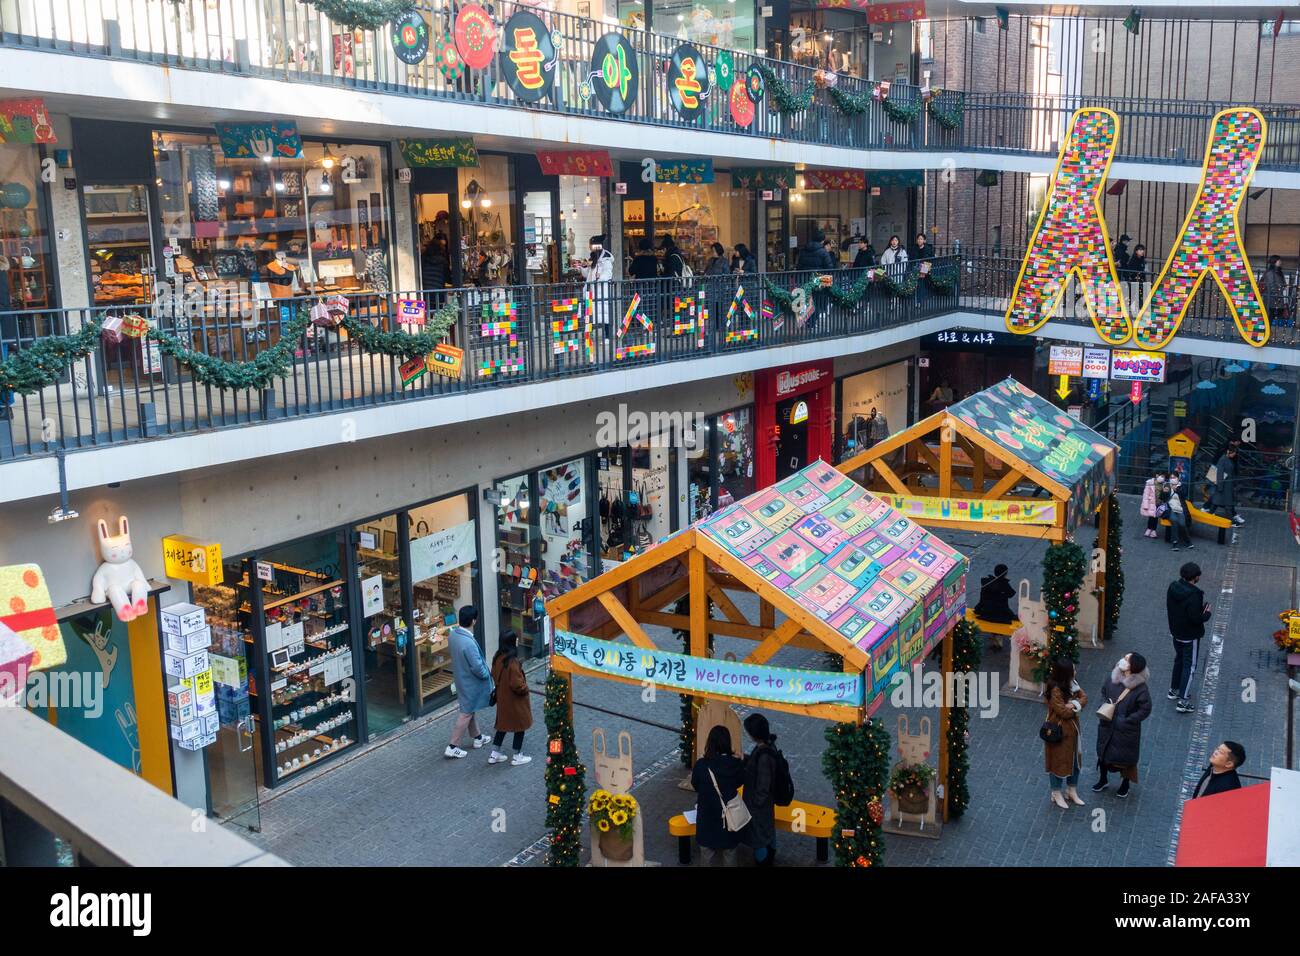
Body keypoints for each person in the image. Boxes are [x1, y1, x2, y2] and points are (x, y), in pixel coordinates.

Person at [1092, 652, 1153, 797]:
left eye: (1127, 659)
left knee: (1126, 759)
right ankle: (1103, 779)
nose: (1122, 660)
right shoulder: (1112, 678)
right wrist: (1104, 705)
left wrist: (1128, 720)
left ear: (1133, 666)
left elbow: (1145, 709)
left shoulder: (1141, 688)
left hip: (1126, 730)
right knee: (1104, 753)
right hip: (1107, 723)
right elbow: (1103, 692)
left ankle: (1125, 783)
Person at [690, 725, 747, 866]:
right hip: (728, 817)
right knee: (730, 852)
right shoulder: (735, 764)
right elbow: (740, 781)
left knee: (706, 853)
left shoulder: (701, 765)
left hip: (706, 817)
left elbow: (695, 784)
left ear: (710, 743)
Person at [445, 605, 494, 758]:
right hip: (470, 683)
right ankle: (452, 746)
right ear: (473, 621)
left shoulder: (453, 635)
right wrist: (488, 674)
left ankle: (477, 737)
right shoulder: (468, 643)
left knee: (470, 709)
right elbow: (478, 667)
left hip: (461, 679)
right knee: (466, 713)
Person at [1167, 561, 1212, 714]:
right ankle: (1183, 700)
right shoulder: (1194, 595)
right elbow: (1196, 618)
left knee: (1179, 659)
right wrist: (1206, 614)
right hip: (1189, 636)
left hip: (1176, 632)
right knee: (1190, 666)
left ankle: (1174, 689)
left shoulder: (1173, 587)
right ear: (1196, 577)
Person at [1043, 658, 1088, 809]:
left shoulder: (1073, 684)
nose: (1075, 671)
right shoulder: (1055, 689)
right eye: (1072, 669)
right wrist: (1076, 706)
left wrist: (1073, 704)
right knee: (1058, 761)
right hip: (1059, 733)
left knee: (1074, 761)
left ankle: (1071, 790)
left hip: (1073, 732)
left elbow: (1084, 698)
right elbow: (1063, 712)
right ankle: (1056, 793)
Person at [487, 629, 532, 766]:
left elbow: (494, 674)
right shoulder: (512, 662)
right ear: (512, 642)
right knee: (520, 726)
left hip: (503, 698)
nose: (518, 640)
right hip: (515, 701)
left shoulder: (497, 657)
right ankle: (517, 755)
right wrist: (525, 689)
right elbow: (517, 685)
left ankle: (494, 753)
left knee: (503, 725)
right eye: (516, 638)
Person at [741, 712, 779, 866]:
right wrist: (746, 758)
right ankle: (770, 856)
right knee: (769, 831)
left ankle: (763, 861)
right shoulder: (769, 746)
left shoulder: (763, 756)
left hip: (759, 805)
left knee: (759, 838)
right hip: (767, 802)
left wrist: (755, 804)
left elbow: (763, 784)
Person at [973, 563, 1017, 647]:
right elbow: (1011, 594)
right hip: (1001, 614)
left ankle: (995, 637)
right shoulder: (1005, 585)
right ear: (1005, 574)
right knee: (1004, 614)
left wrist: (978, 609)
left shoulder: (986, 583)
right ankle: (998, 638)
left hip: (986, 612)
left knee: (995, 611)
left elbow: (982, 599)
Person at [581, 234, 615, 330]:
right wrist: (581, 268)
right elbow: (588, 274)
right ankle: (589, 336)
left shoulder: (606, 259)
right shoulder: (595, 259)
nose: (590, 248)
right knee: (592, 314)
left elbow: (608, 273)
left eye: (591, 245)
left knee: (605, 314)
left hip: (602, 292)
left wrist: (600, 277)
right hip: (593, 291)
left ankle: (607, 337)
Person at [1211, 441, 1245, 526]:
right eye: (1234, 453)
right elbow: (1219, 473)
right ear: (1230, 452)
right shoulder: (1223, 460)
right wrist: (1220, 486)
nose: (1235, 455)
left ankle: (1210, 513)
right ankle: (1232, 521)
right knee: (1227, 504)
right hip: (1225, 485)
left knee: (1219, 502)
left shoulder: (1227, 459)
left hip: (1227, 485)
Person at [1140, 470, 1169, 538]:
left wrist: (1165, 492)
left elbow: (1165, 497)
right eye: (1161, 476)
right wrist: (1145, 505)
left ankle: (1153, 530)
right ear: (1157, 475)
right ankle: (1149, 529)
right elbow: (1146, 495)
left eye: (1164, 477)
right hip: (1151, 503)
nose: (1162, 478)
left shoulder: (1164, 485)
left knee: (1155, 517)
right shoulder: (1150, 483)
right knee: (1151, 517)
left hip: (1159, 503)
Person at [1167, 478, 1194, 551]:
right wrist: (1165, 492)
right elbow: (1162, 498)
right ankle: (1175, 543)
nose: (1173, 485)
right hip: (1171, 509)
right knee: (1174, 521)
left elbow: (1183, 495)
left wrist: (1177, 490)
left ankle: (1187, 541)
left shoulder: (1181, 488)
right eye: (1172, 484)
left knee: (1182, 524)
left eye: (1175, 484)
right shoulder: (1167, 488)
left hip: (1179, 509)